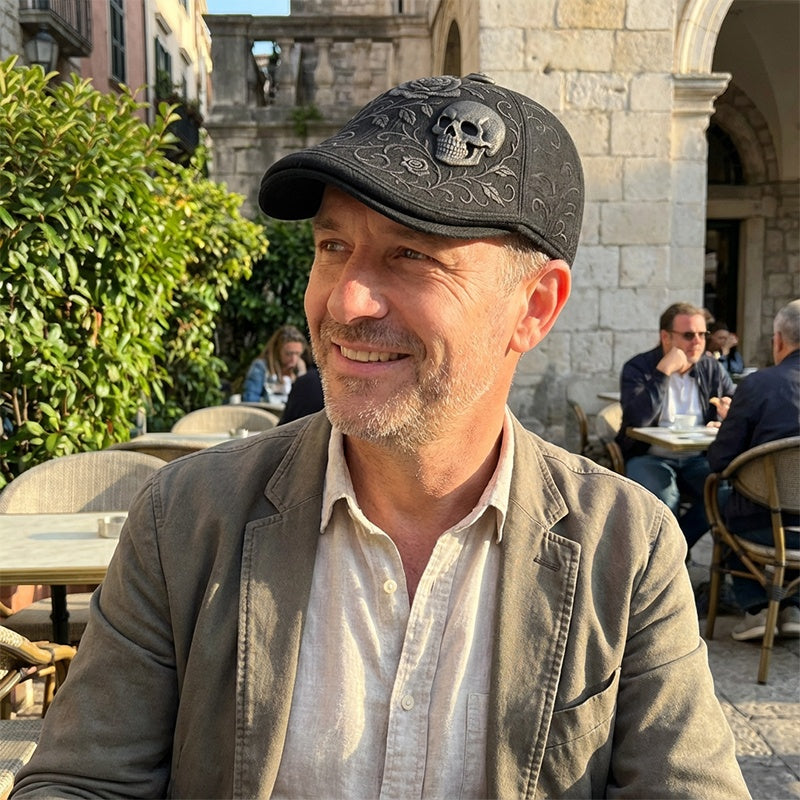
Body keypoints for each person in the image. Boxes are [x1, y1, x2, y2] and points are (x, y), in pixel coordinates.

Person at [11, 74, 748, 799]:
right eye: (333, 246)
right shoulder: (186, 519)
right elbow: (80, 783)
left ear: (534, 307)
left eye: (412, 255)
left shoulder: (625, 547)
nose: (347, 301)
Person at [707, 299, 800, 641]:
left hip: (766, 527)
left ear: (778, 340)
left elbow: (720, 461)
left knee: (722, 497)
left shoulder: (758, 385)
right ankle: (793, 607)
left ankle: (757, 607)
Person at [616, 302, 736, 553]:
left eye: (702, 334)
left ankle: (675, 553)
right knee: (665, 498)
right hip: (648, 455)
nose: (698, 342)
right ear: (666, 337)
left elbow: (736, 405)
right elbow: (637, 419)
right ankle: (669, 557)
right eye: (689, 335)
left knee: (725, 494)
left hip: (697, 458)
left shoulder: (711, 367)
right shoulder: (638, 367)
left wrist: (728, 415)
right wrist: (662, 373)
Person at [241, 324, 308, 402]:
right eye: (288, 354)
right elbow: (250, 399)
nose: (294, 359)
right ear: (277, 350)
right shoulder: (261, 367)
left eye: (297, 354)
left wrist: (302, 377)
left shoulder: (298, 371)